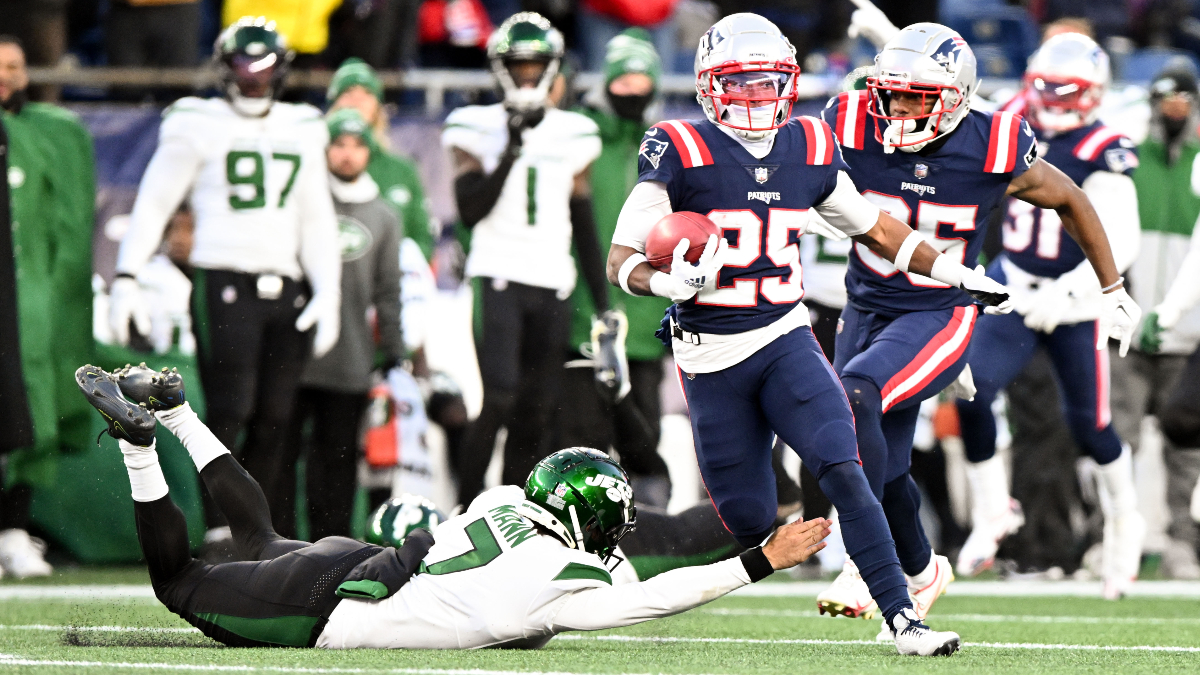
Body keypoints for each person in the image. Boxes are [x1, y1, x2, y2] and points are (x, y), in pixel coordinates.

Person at [605, 12, 1006, 655]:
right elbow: (620, 256)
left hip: (784, 334)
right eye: (743, 85)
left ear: (790, 82)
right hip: (712, 356)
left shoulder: (811, 145)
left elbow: (874, 225)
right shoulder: (679, 147)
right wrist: (663, 284)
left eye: (770, 83)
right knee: (749, 519)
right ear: (712, 87)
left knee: (844, 463)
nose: (759, 98)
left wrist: (953, 270)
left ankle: (903, 617)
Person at [75, 363, 830, 650]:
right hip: (334, 605)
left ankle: (176, 411)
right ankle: (141, 444)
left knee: (261, 533)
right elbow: (660, 595)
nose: (613, 536)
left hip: (356, 564)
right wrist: (759, 560)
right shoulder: (569, 579)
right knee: (175, 582)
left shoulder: (504, 497)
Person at [817, 22, 1139, 624]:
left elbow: (1072, 198)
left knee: (854, 398)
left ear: (958, 98)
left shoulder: (993, 142)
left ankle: (863, 561)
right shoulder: (850, 119)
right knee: (884, 465)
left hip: (941, 306)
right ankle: (922, 570)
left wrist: (1112, 286)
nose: (901, 109)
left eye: (918, 97)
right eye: (893, 93)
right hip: (866, 304)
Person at [109, 17, 341, 549]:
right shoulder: (198, 121)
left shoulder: (304, 125)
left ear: (281, 71)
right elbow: (156, 200)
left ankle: (265, 532)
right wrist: (126, 273)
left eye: (262, 69)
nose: (253, 80)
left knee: (278, 418)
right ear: (223, 71)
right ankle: (221, 528)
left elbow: (316, 218)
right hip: (222, 279)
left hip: (288, 284)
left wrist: (329, 289)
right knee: (229, 411)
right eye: (243, 68)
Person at [952, 33, 1144, 595]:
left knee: (1091, 425)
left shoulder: (1104, 147)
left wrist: (1066, 293)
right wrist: (892, 36)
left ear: (1094, 94)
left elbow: (1121, 240)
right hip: (1014, 285)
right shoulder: (1014, 118)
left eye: (1069, 91)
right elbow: (952, 90)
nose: (1055, 100)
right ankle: (994, 511)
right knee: (969, 388)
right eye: (1046, 88)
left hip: (1076, 299)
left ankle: (1124, 522)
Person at [442, 13, 610, 507]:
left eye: (537, 66)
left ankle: (514, 510)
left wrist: (602, 303)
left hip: (552, 280)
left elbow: (582, 219)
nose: (528, 75)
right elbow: (471, 211)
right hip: (497, 275)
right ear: (501, 68)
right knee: (498, 397)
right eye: (519, 65)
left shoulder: (575, 132)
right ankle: (464, 506)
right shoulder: (474, 127)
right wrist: (512, 149)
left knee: (536, 409)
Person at [558, 28, 673, 507]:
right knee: (579, 429)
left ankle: (646, 526)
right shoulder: (580, 139)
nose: (630, 91)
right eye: (620, 81)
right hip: (583, 311)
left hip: (646, 317)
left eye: (639, 81)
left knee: (643, 429)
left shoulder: (667, 149)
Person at [279, 109, 404, 540]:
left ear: (369, 151)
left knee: (338, 461)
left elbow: (389, 291)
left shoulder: (385, 216)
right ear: (324, 149)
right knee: (280, 454)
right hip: (295, 355)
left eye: (356, 145)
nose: (347, 155)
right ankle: (275, 547)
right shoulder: (300, 203)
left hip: (351, 359)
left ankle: (330, 550)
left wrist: (395, 351)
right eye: (339, 145)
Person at [0, 34, 95, 578]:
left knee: (32, 401)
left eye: (15, 65)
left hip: (29, 290)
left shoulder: (49, 134)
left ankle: (14, 525)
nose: (7, 75)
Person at [1117, 62, 1200, 579]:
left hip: (1186, 330)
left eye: (1184, 98)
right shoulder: (1127, 161)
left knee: (1186, 443)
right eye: (1167, 97)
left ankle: (1181, 544)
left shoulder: (1198, 163)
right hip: (1129, 324)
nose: (1175, 108)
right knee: (1115, 441)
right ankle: (1110, 540)